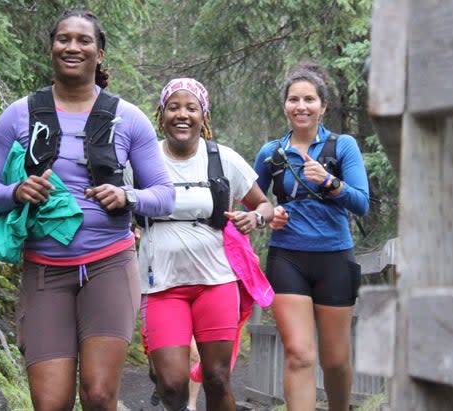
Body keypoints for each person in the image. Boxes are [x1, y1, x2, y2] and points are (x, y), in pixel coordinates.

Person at [0, 9, 175, 410]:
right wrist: (17, 191)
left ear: (99, 54)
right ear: (51, 48)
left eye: (84, 40)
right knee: (51, 402)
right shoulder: (19, 115)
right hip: (45, 271)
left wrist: (128, 197)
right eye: (63, 39)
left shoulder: (128, 118)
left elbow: (164, 195)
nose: (72, 47)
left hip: (110, 265)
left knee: (100, 396)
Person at [136, 77, 274, 411]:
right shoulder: (142, 159)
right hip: (162, 285)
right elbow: (117, 202)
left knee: (216, 377)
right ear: (161, 114)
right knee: (170, 383)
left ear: (204, 115)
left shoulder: (223, 158)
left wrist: (254, 219)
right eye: (173, 107)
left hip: (216, 281)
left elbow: (264, 205)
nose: (182, 115)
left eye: (191, 108)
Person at [253, 61, 369, 411]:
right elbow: (253, 203)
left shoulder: (342, 147)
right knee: (300, 354)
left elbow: (362, 203)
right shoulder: (270, 154)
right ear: (285, 105)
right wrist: (268, 216)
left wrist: (330, 183)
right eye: (293, 100)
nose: (300, 106)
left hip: (334, 257)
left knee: (334, 361)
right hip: (288, 257)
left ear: (323, 106)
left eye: (308, 100)